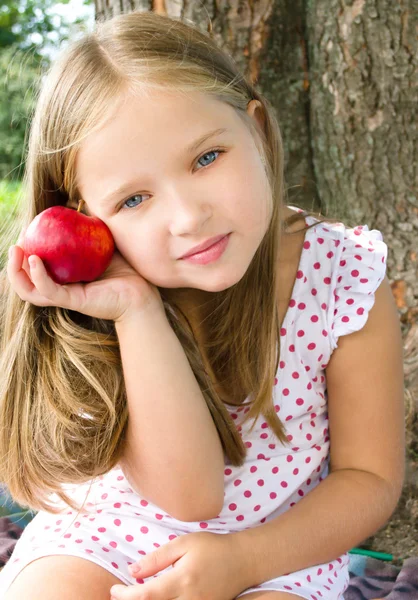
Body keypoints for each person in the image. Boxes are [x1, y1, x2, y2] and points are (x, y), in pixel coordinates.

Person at [0, 10, 405, 600]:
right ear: (83, 216)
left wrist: (244, 560)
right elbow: (191, 495)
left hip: (277, 549)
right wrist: (137, 312)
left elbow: (368, 478)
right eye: (134, 198)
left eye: (207, 158)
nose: (189, 218)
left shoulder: (340, 275)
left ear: (258, 132)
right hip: (111, 535)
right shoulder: (102, 297)